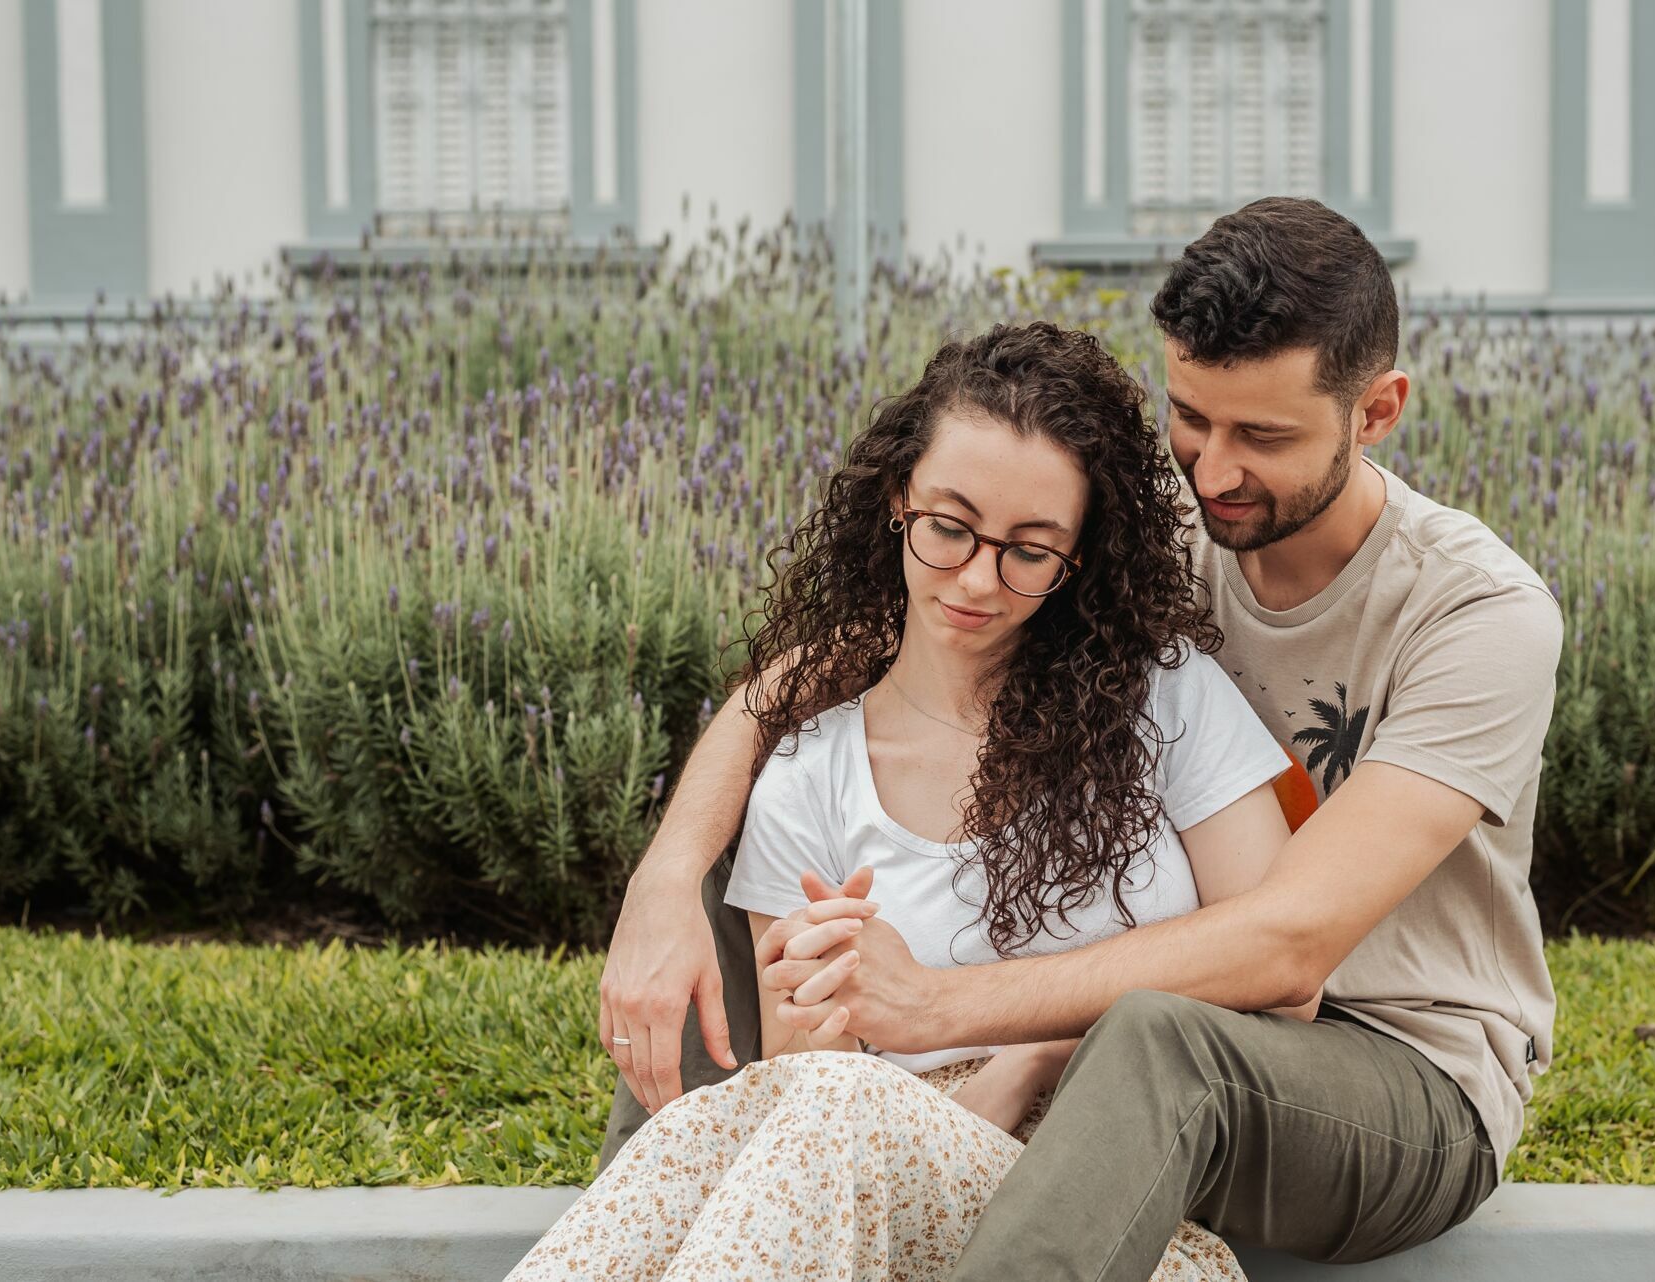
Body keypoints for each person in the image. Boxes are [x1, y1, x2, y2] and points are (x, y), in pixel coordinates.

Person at [599, 196, 1564, 1275]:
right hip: (1152, 1037)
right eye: (1192, 416)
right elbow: (836, 661)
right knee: (743, 855)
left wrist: (941, 1009)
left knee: (1155, 1040)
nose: (1213, 472)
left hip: (1399, 1072)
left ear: (1376, 410)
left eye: (1264, 436)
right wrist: (664, 877)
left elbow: (1291, 947)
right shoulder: (1156, 528)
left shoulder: (1478, 616)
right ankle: (648, 1229)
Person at [508, 321, 1306, 1280]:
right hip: (863, 1193)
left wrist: (1037, 1059)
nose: (976, 580)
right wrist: (823, 1023)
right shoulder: (808, 773)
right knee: (782, 1111)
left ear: (1081, 557)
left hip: (1107, 1202)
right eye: (949, 528)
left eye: (1030, 551)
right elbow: (804, 1080)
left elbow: (1283, 986)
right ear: (899, 497)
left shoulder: (1166, 697)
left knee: (822, 1112)